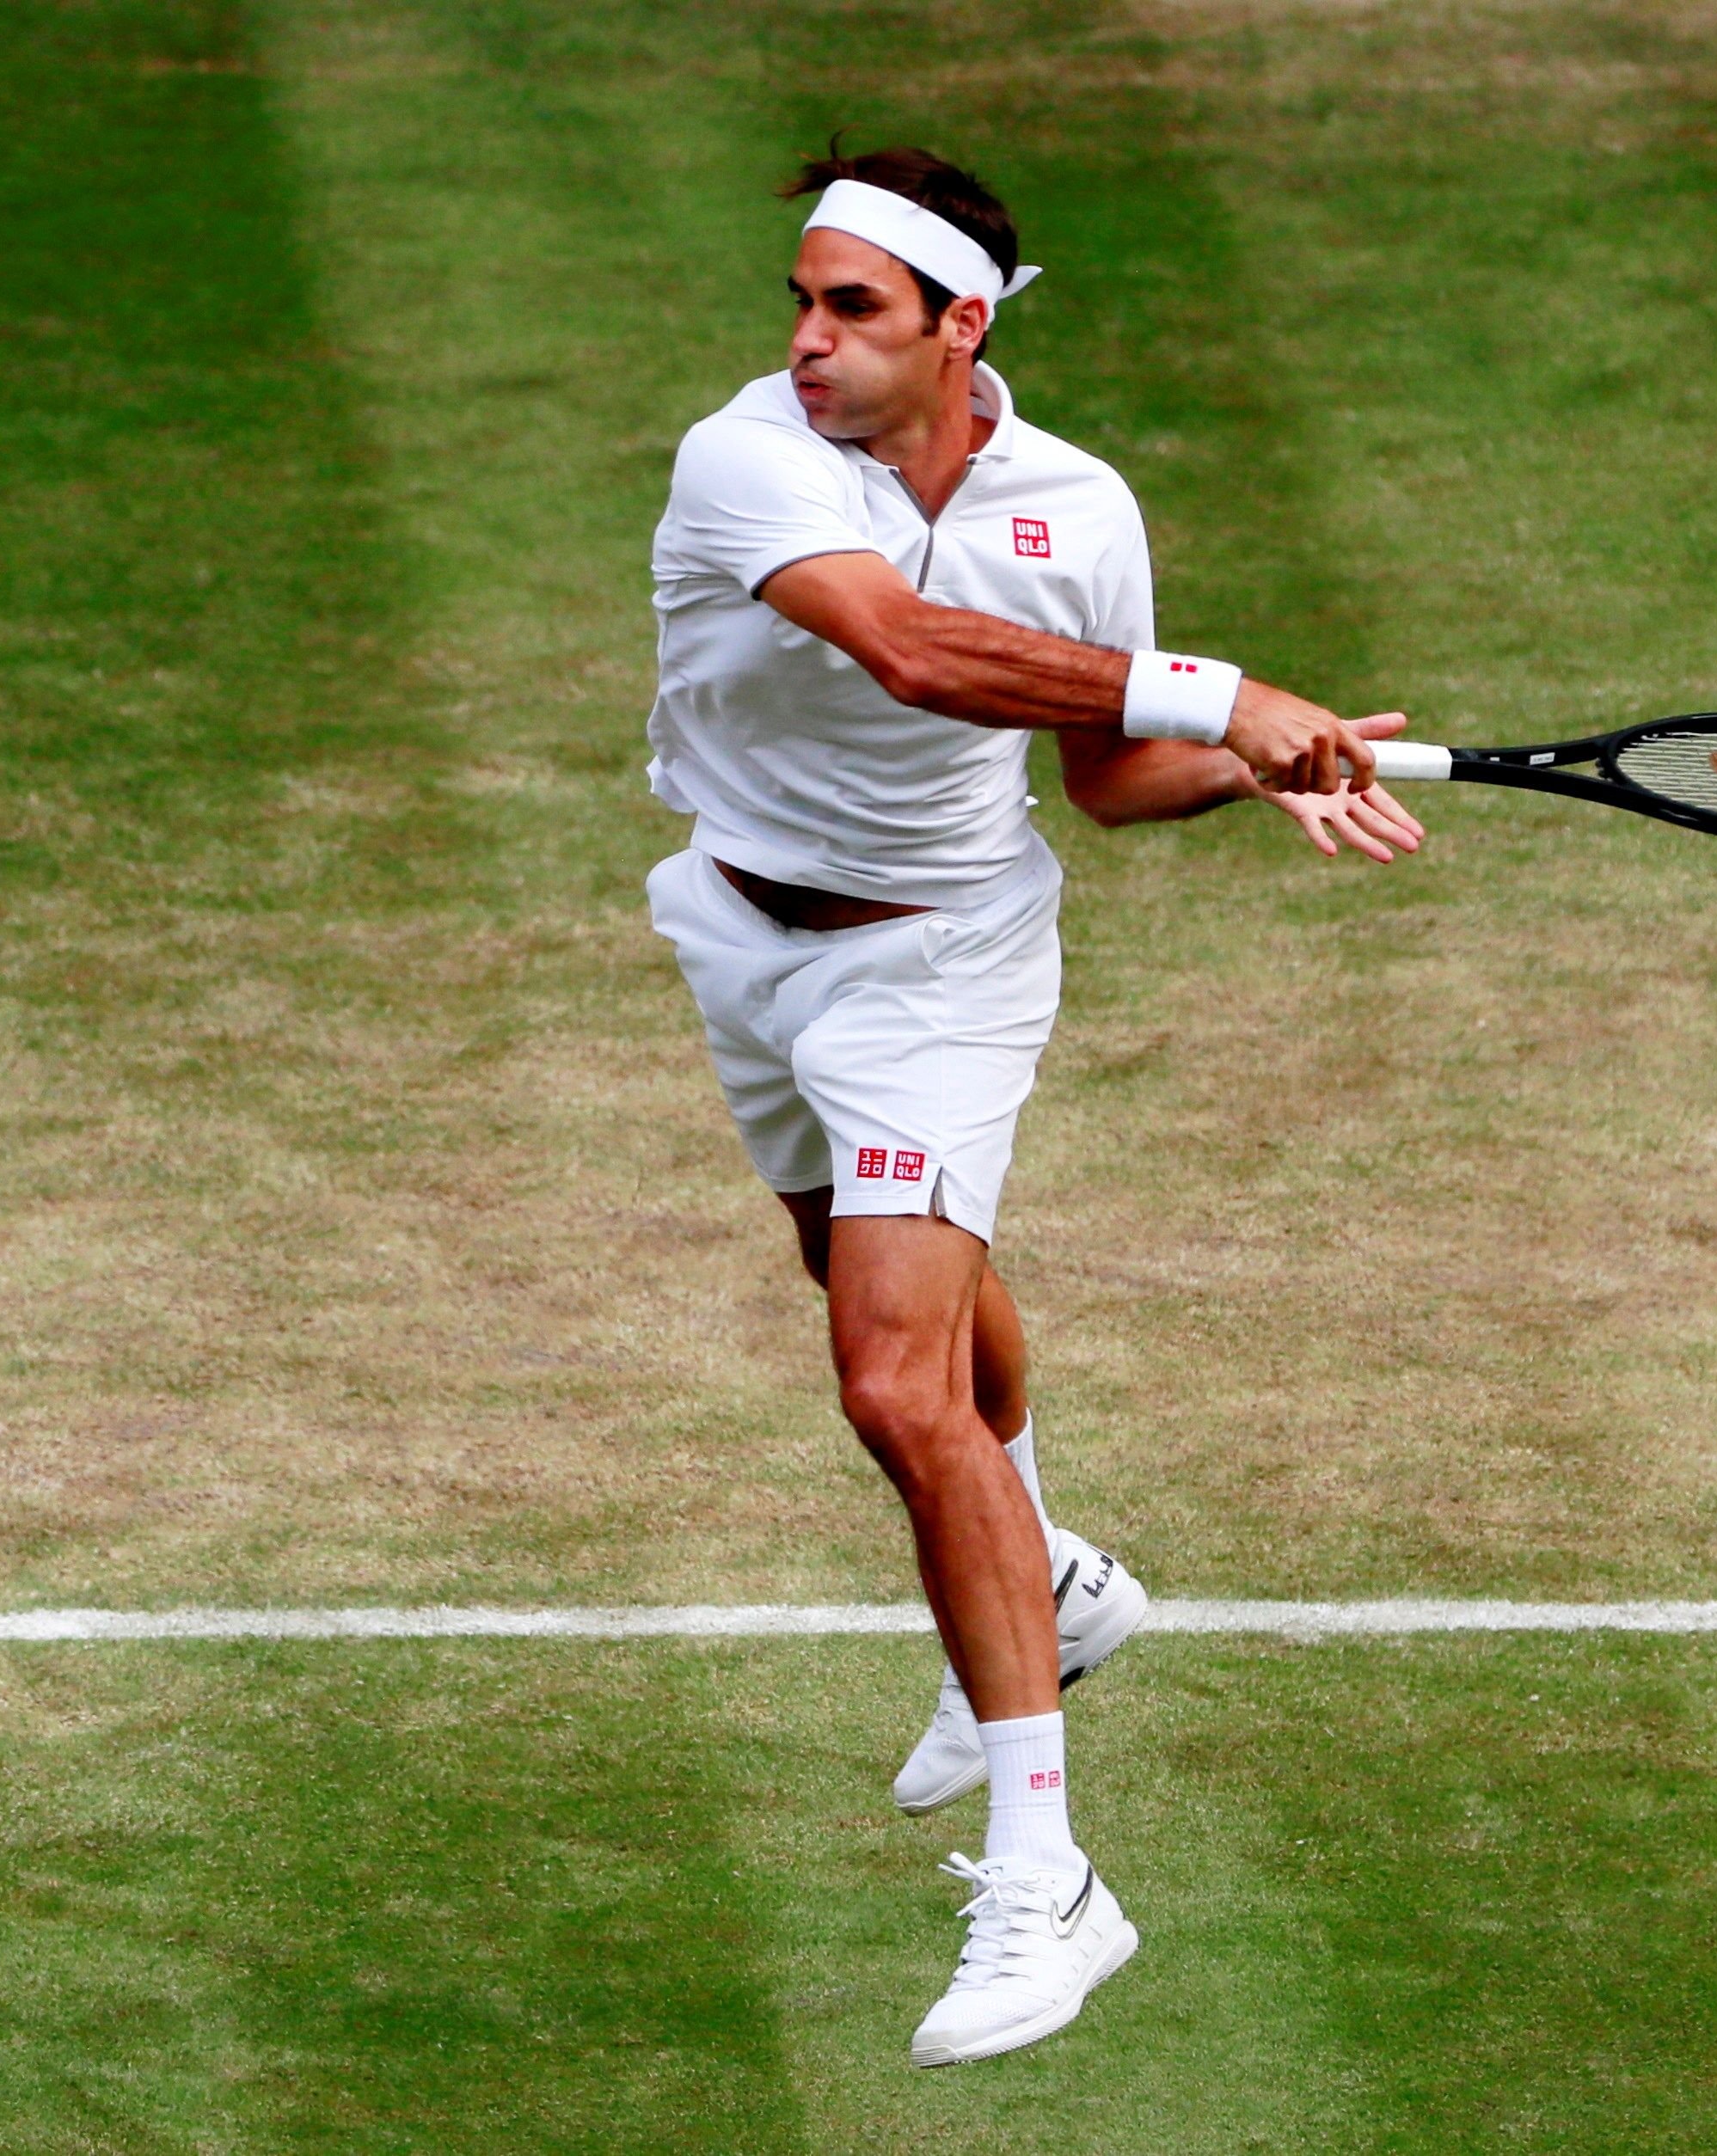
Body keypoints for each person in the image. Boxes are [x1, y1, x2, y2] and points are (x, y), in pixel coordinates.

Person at [641, 145, 1426, 2066]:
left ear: (958, 326)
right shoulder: (744, 456)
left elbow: (1101, 778)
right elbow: (909, 652)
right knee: (894, 1317)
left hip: (942, 970)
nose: (807, 340)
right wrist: (1216, 691)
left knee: (897, 1393)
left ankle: (1049, 1886)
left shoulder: (1077, 507)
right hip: (741, 937)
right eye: (803, 301)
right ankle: (1052, 1578)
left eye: (853, 310)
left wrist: (1244, 768)